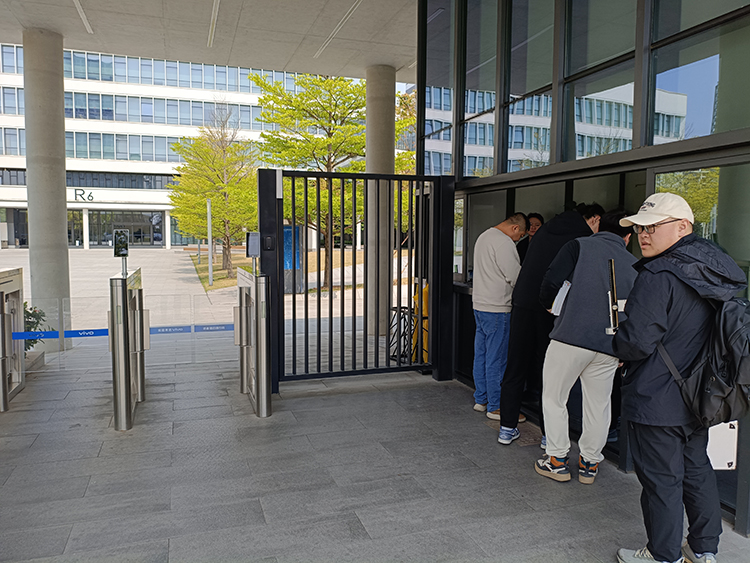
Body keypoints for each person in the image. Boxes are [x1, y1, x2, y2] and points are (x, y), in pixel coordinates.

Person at [613, 193, 746, 563]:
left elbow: (637, 341)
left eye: (653, 226)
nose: (644, 235)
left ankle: (663, 554)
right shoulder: (714, 269)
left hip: (657, 397)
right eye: (640, 228)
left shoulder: (658, 274)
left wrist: (616, 342)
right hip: (701, 393)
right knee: (696, 471)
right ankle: (703, 550)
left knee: (661, 480)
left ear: (683, 227)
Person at [533, 211, 637, 484]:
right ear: (628, 237)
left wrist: (550, 306)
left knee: (555, 398)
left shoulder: (578, 246)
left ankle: (557, 460)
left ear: (598, 226)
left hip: (569, 337)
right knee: (598, 406)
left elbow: (551, 281)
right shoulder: (634, 264)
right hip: (608, 345)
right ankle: (589, 464)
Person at [498, 202, 604, 445]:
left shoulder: (546, 230)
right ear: (595, 219)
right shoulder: (582, 239)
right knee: (548, 371)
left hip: (522, 303)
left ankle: (506, 428)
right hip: (549, 308)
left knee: (515, 366)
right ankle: (548, 435)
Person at [471, 213, 528, 420]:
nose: (518, 240)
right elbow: (515, 276)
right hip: (498, 308)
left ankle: (481, 399)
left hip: (480, 305)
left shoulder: (484, 236)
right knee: (497, 359)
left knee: (482, 355)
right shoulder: (504, 243)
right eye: (520, 236)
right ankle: (496, 406)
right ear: (515, 228)